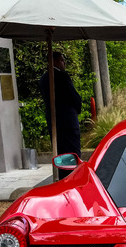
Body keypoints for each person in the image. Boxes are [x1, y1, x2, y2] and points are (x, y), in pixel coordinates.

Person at [39, 51, 82, 180]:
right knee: (72, 154)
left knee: (61, 154)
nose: (64, 63)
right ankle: (72, 179)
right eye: (62, 60)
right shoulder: (61, 77)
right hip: (68, 122)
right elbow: (74, 97)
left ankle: (63, 178)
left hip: (54, 122)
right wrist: (78, 106)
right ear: (55, 61)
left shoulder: (44, 79)